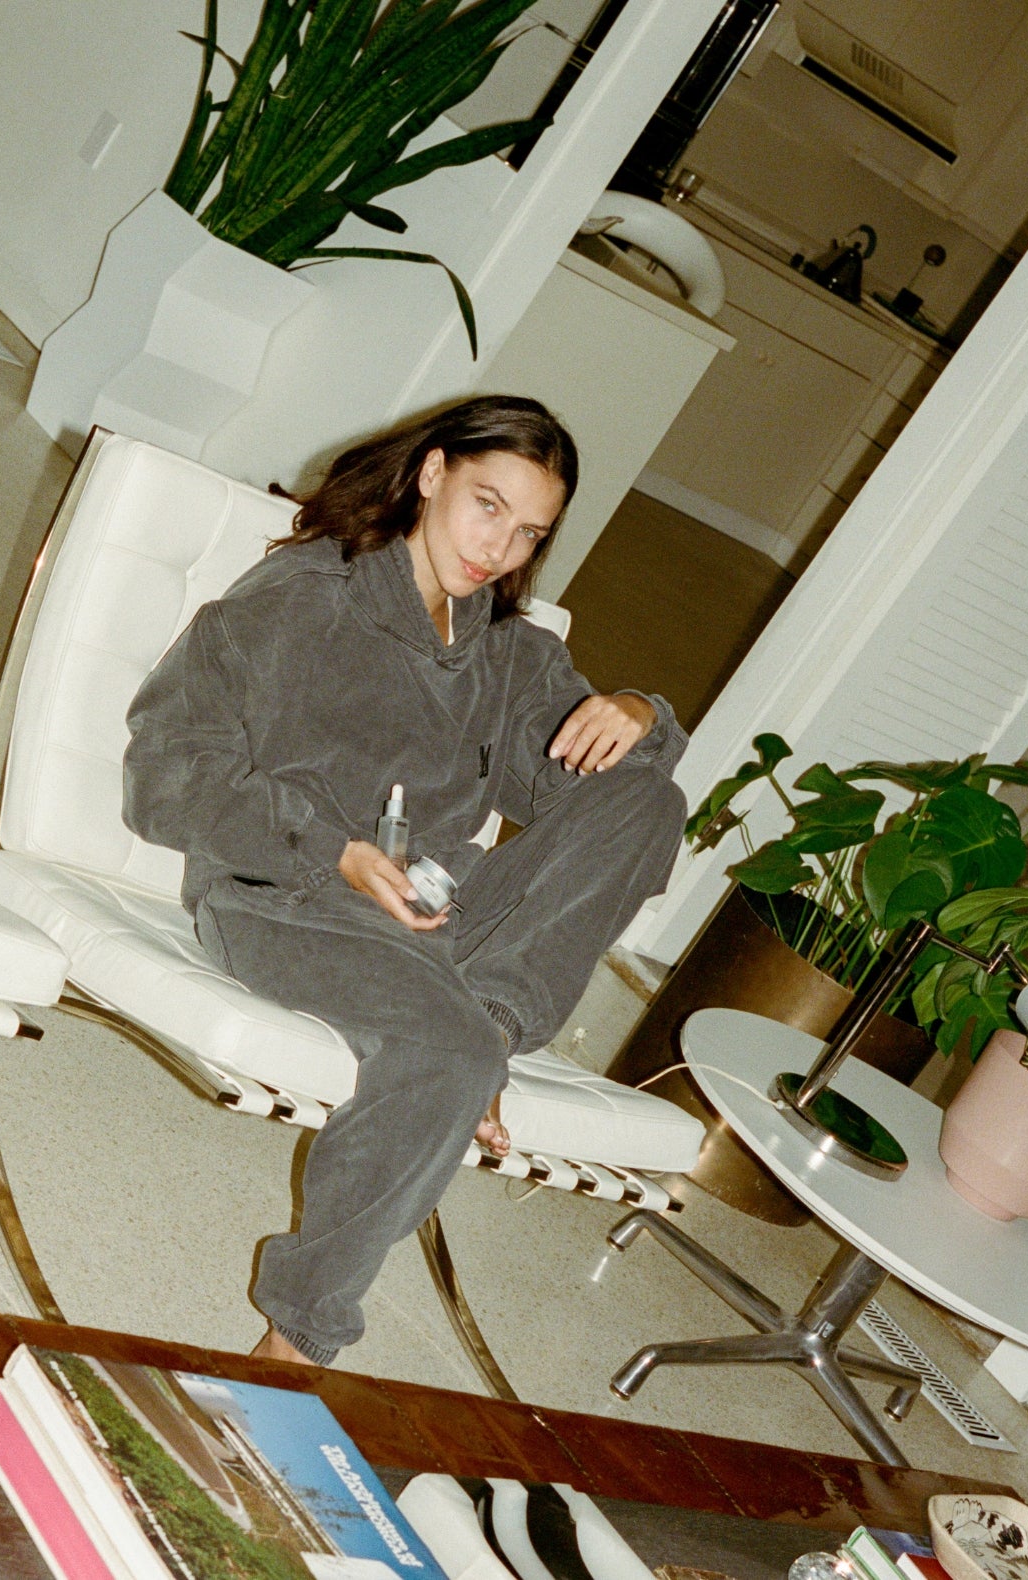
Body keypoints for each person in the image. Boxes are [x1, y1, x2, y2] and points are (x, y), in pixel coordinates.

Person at [123, 395, 688, 1367]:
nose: (498, 547)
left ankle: (490, 1024)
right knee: (448, 1049)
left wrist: (642, 710)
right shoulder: (305, 597)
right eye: (484, 504)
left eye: (527, 532)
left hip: (430, 912)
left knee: (649, 801)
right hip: (283, 893)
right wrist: (333, 849)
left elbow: (583, 784)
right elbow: (163, 779)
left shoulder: (506, 650)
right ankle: (293, 1336)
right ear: (430, 473)